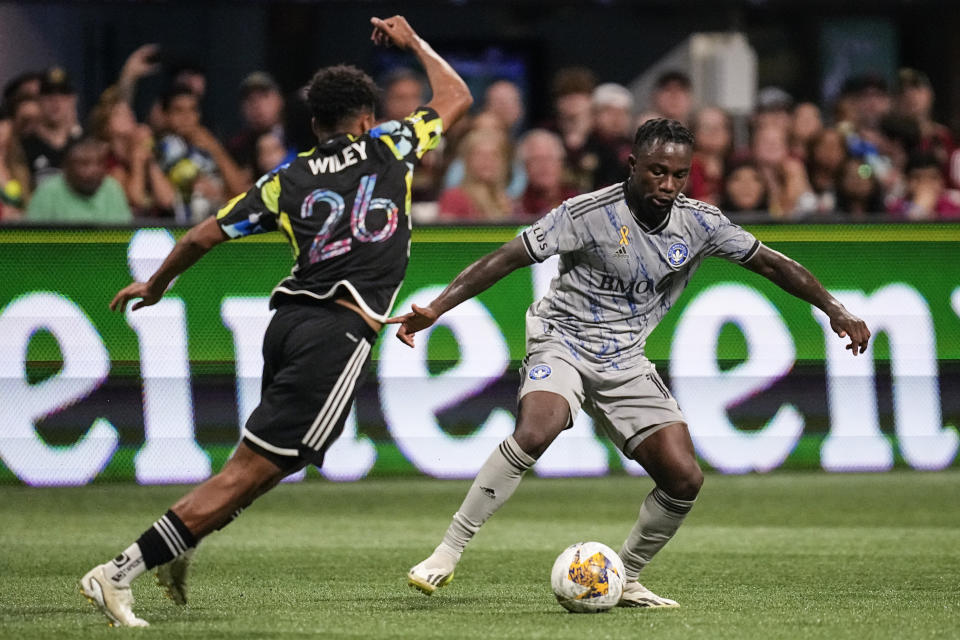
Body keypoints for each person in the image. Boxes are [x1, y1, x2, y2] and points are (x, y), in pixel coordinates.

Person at [78, 15, 471, 628]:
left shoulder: (282, 180)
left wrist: (156, 284)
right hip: (335, 332)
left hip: (286, 325)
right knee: (252, 469)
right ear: (366, 119)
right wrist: (414, 41)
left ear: (314, 125)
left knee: (268, 463)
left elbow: (204, 233)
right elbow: (456, 96)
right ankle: (118, 572)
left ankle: (180, 543)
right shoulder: (392, 144)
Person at [391, 118, 870, 607]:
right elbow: (507, 257)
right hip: (562, 340)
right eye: (657, 172)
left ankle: (627, 577)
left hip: (626, 359)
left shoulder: (701, 223)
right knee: (538, 428)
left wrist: (835, 308)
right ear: (632, 165)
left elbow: (771, 262)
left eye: (679, 175)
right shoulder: (585, 213)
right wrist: (438, 307)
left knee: (685, 477)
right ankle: (446, 553)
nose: (667, 185)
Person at [25, 137, 132, 224]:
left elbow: (124, 237)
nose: (93, 171)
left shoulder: (112, 189)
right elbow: (32, 243)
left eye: (99, 163)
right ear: (66, 167)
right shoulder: (46, 194)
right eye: (84, 164)